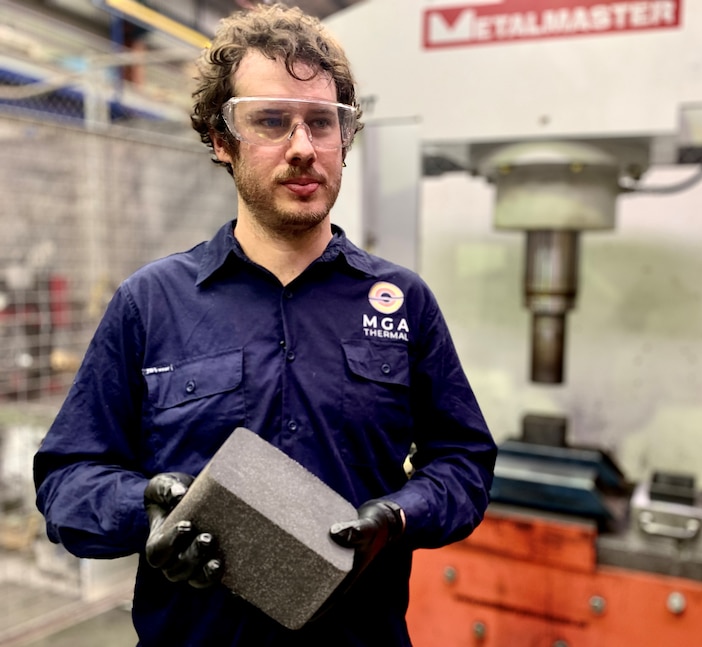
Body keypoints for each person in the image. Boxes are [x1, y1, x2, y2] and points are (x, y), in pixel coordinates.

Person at [32, 4, 497, 646]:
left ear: (345, 138)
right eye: (273, 122)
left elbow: (464, 462)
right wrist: (146, 509)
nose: (303, 148)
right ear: (223, 142)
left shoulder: (404, 303)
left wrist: (397, 515)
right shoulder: (151, 303)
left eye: (322, 123)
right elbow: (68, 476)